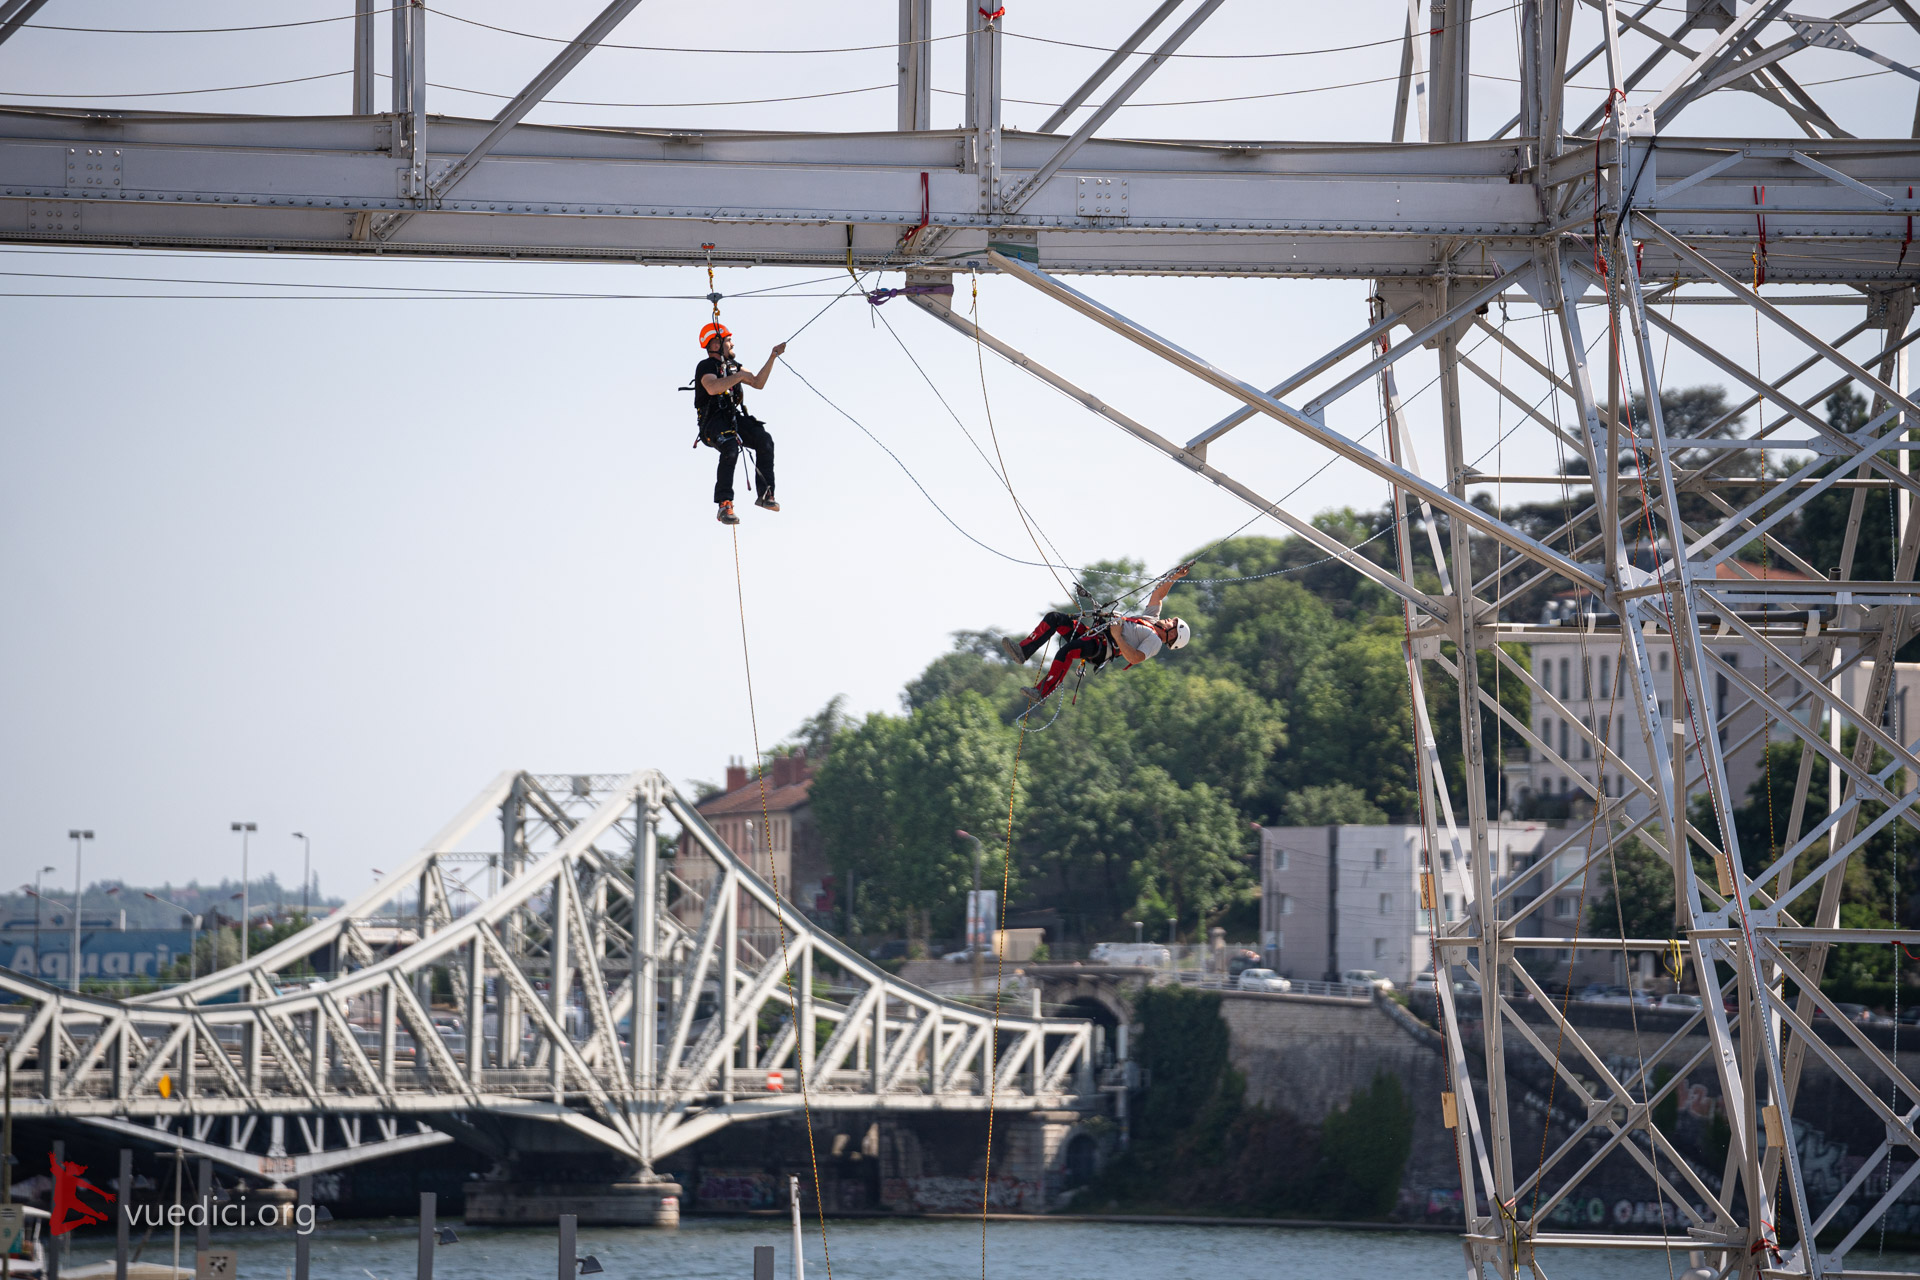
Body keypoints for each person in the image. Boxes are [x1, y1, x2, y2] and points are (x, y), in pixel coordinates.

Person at [1001, 566, 1192, 704]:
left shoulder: (1154, 641)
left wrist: (1118, 636)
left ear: (1172, 636)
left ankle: (1042, 692)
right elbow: (1158, 594)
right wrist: (1175, 576)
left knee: (1067, 651)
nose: (1170, 619)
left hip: (1102, 648)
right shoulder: (1151, 618)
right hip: (1094, 634)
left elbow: (1135, 658)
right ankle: (1023, 651)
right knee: (1055, 618)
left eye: (1174, 623)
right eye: (1173, 620)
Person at [693, 321, 786, 525]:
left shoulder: (733, 367)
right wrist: (739, 376)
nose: (733, 344)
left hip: (732, 418)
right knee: (730, 447)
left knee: (764, 439)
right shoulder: (706, 366)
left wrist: (772, 357)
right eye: (728, 340)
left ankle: (765, 494)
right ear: (716, 344)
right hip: (713, 423)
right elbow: (712, 387)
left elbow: (758, 382)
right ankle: (724, 504)